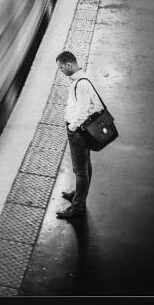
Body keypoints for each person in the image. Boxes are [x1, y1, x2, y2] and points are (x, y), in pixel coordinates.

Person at [55, 51, 103, 220]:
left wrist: (73, 128)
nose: (60, 70)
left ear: (69, 65)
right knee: (85, 164)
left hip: (78, 132)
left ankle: (78, 205)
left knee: (80, 170)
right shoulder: (81, 78)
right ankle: (79, 193)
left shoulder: (81, 84)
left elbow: (83, 111)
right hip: (81, 131)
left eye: (61, 67)